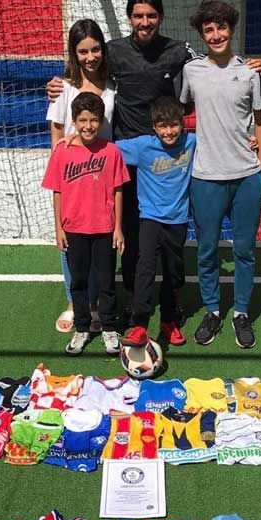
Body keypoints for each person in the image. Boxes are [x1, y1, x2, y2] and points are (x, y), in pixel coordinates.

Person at [48, 0, 261, 325]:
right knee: (129, 238)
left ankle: (172, 306)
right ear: (129, 18)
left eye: (151, 15)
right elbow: (87, 72)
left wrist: (251, 67)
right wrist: (60, 83)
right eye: (138, 15)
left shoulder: (180, 52)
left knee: (170, 242)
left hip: (166, 159)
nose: (144, 21)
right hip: (125, 158)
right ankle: (133, 305)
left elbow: (215, 70)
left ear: (160, 17)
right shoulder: (115, 51)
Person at [180, 0, 261, 350]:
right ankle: (214, 310)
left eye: (221, 28)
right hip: (205, 176)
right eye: (209, 30)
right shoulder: (191, 72)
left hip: (246, 176)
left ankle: (242, 312)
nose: (216, 35)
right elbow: (180, 109)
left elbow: (260, 121)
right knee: (206, 251)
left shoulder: (250, 72)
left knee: (244, 250)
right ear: (202, 34)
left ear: (231, 29)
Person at [41, 93, 129, 356]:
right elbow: (57, 191)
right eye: (82, 120)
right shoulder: (62, 152)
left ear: (101, 121)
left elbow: (118, 190)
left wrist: (118, 227)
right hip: (74, 229)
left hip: (104, 228)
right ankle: (82, 327)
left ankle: (108, 327)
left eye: (93, 120)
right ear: (73, 121)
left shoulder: (111, 151)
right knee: (78, 281)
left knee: (106, 282)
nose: (88, 126)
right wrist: (58, 227)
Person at [46, 19, 116, 334]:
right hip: (73, 179)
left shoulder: (114, 85)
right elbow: (58, 134)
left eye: (95, 49)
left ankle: (99, 303)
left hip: (103, 177)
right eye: (83, 51)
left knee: (101, 241)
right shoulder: (64, 87)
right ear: (75, 54)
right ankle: (75, 304)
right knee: (71, 240)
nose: (90, 57)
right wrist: (60, 172)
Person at [117, 96, 195, 348]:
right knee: (146, 269)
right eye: (162, 126)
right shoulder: (142, 147)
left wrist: (246, 142)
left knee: (173, 274)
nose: (169, 131)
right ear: (154, 127)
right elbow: (107, 148)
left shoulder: (192, 142)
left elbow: (220, 144)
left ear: (182, 124)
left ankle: (169, 322)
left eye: (173, 125)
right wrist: (74, 141)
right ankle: (139, 324)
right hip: (149, 219)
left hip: (179, 220)